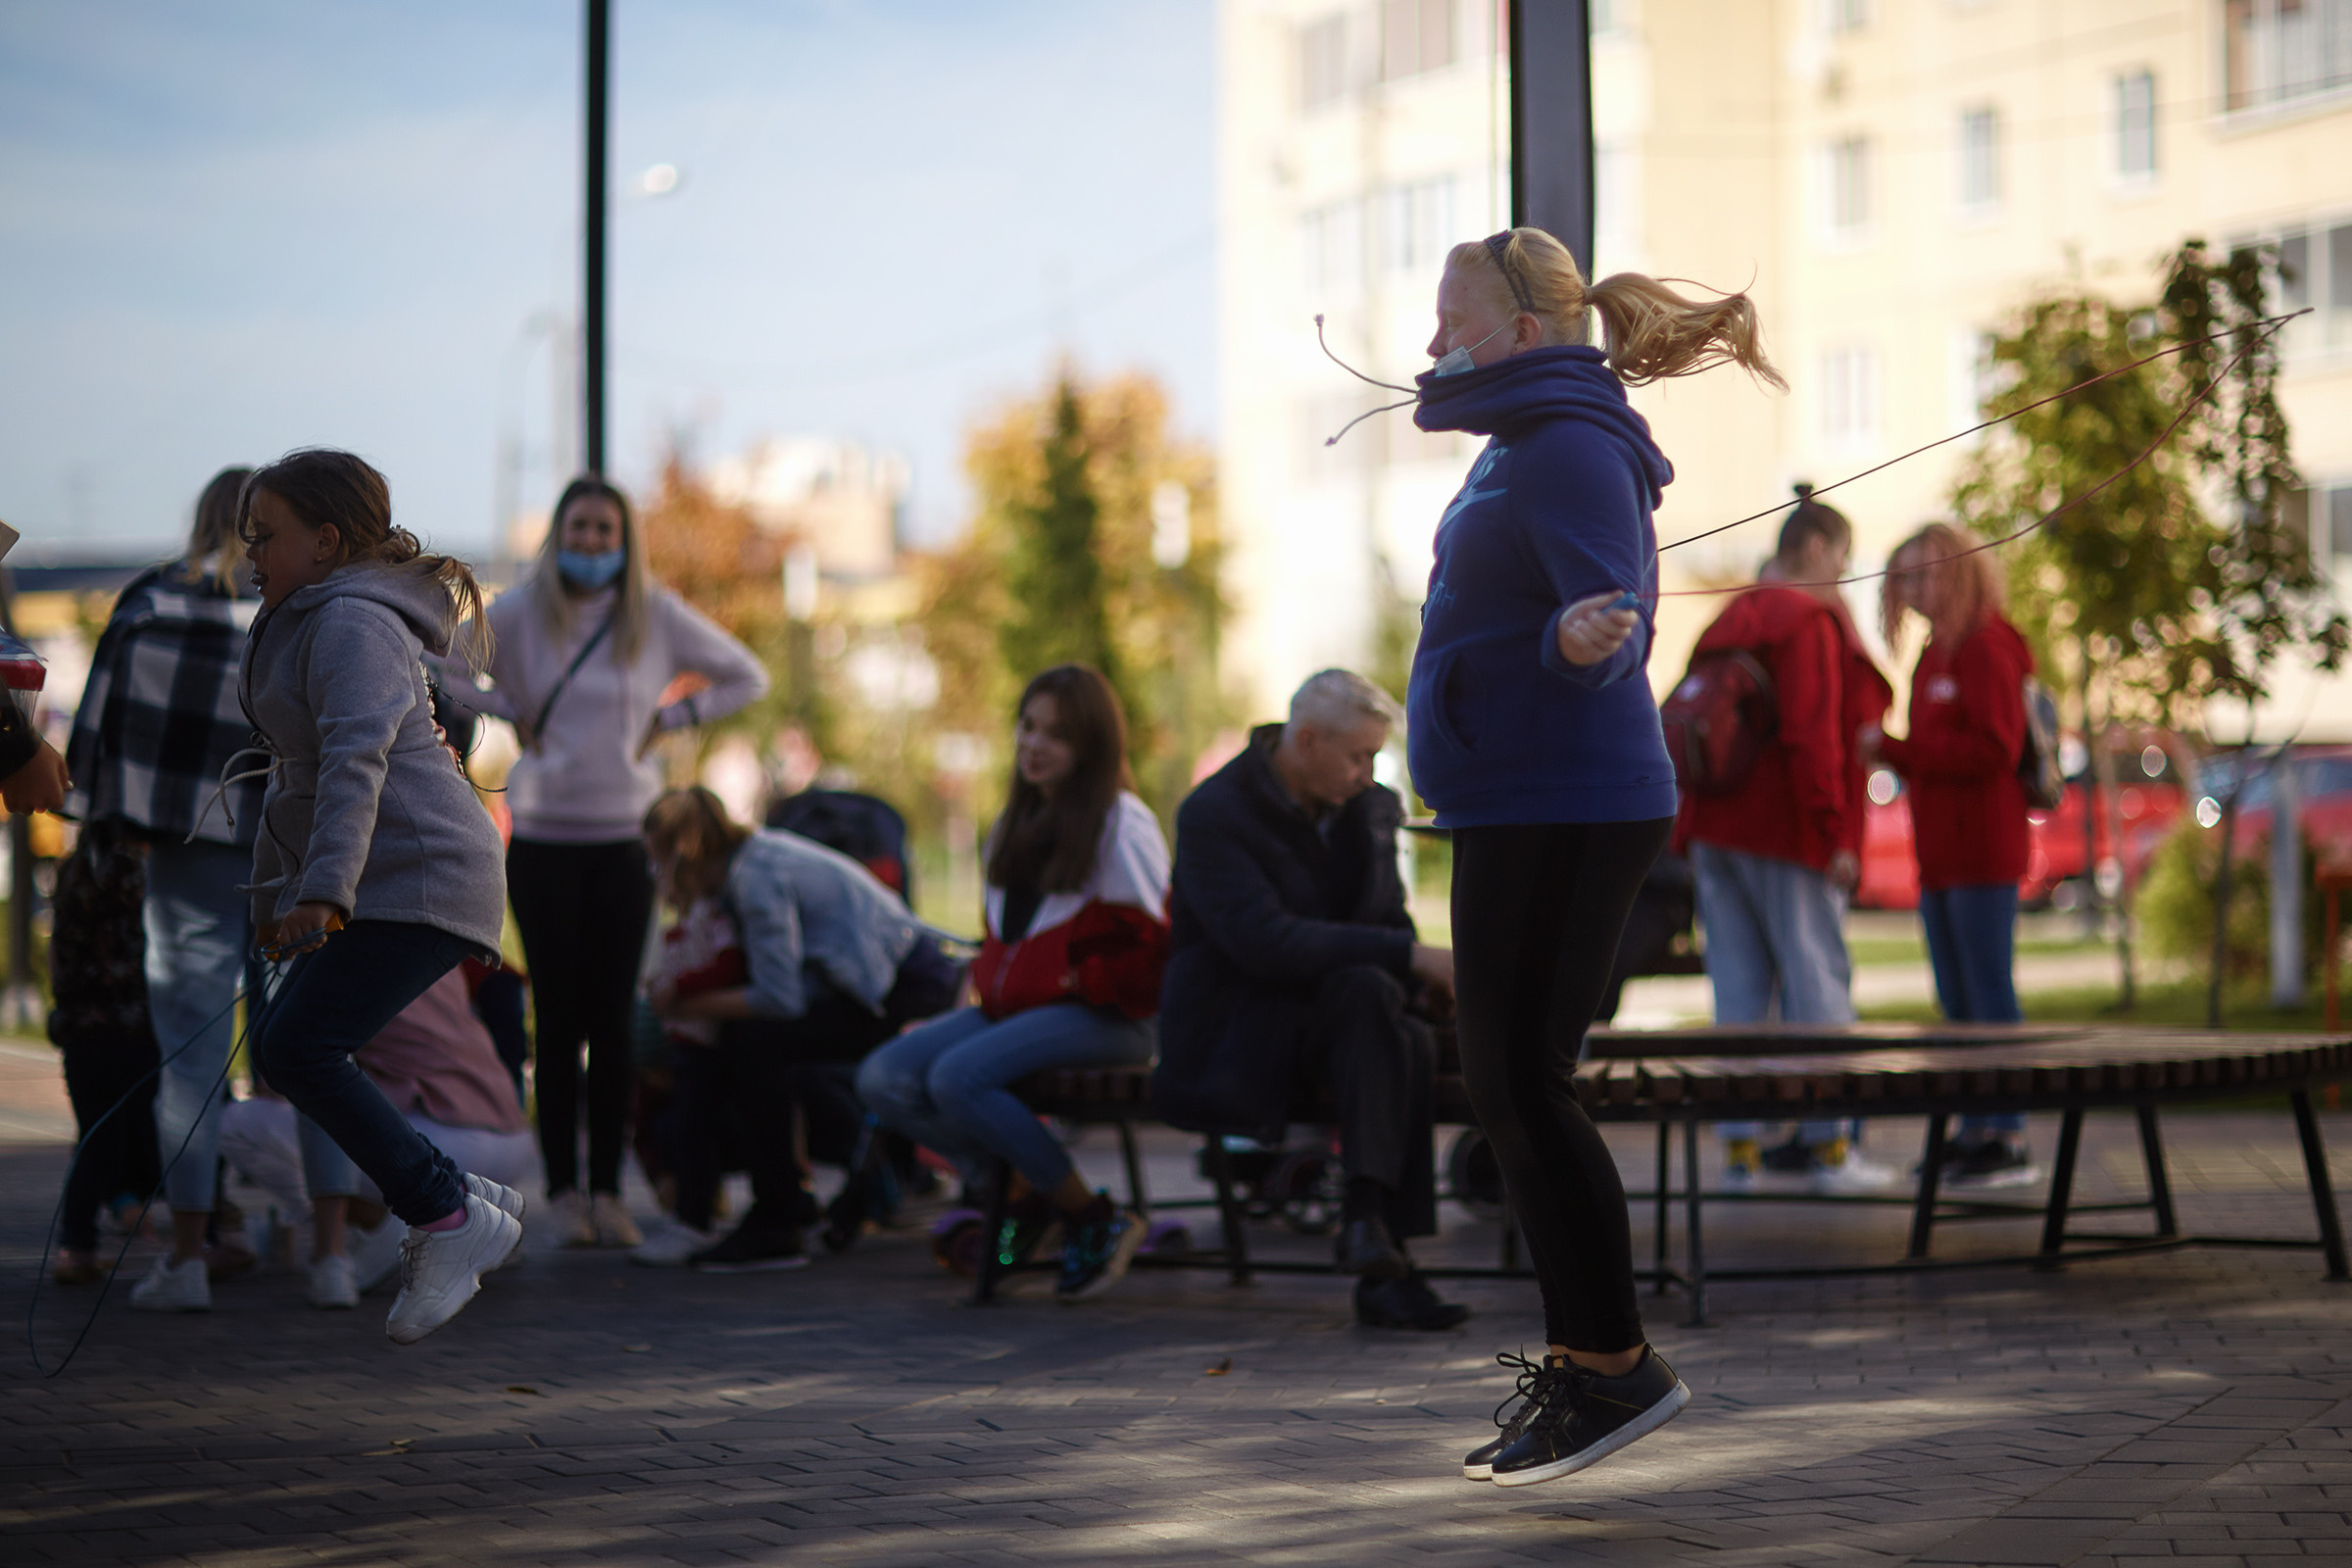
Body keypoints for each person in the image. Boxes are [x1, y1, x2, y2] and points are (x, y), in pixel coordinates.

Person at [1405, 227, 1784, 1486]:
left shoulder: (1565, 444)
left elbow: (1610, 614)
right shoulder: (1529, 441)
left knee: (1524, 1079)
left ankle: (1613, 1367)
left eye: (1449, 321)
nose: (1428, 345)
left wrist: (1584, 642)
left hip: (1564, 797)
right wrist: (1546, 641)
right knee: (1512, 1083)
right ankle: (1585, 1363)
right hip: (1525, 797)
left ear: (1519, 336)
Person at [231, 447, 524, 1345]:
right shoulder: (313, 614)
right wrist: (281, 901)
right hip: (392, 872)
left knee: (300, 1049)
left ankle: (446, 1213)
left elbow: (355, 766)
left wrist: (323, 893)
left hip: (426, 871)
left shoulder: (351, 622)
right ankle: (458, 1199)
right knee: (293, 1048)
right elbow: (302, 781)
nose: (249, 554)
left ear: (323, 542)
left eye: (264, 535)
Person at [466, 476, 768, 1250]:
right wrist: (506, 708)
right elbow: (437, 660)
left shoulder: (654, 613)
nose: (592, 543)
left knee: (612, 1018)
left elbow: (747, 675)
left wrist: (674, 716)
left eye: (606, 530)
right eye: (579, 528)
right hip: (540, 837)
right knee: (558, 1019)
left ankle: (609, 1191)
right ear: (557, 535)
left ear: (624, 539)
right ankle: (563, 1191)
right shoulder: (522, 612)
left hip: (626, 839)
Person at [1152, 669, 1468, 1331]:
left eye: (1374, 757)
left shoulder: (1367, 807)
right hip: (1241, 1031)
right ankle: (1382, 1249)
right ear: (1306, 739)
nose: (1368, 771)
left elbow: (1388, 922)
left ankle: (1369, 1227)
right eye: (1359, 756)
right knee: (1386, 1015)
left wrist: (1423, 983)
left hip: (1345, 1030)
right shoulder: (1215, 812)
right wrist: (1409, 961)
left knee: (1394, 1018)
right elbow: (1265, 943)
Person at [858, 665, 1168, 1303]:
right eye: (1028, 727)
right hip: (1015, 1011)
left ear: (1091, 747)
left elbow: (1151, 947)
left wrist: (1078, 973)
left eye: (1057, 734)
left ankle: (1091, 1217)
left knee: (956, 1077)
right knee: (883, 1076)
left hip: (1112, 1017)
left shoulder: (1120, 823)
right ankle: (1024, 1189)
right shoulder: (1012, 824)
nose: (1034, 744)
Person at [63, 469, 269, 1306]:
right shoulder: (297, 608)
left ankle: (190, 1252)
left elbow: (99, 727)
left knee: (188, 1056)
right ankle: (331, 1250)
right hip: (292, 847)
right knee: (303, 1047)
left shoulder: (151, 601)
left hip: (183, 843)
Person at [1674, 488, 1894, 1191]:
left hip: (1715, 829)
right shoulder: (1808, 620)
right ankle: (1830, 1149)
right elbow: (1809, 735)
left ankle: (1741, 1155)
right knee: (1816, 985)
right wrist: (1836, 833)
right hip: (1788, 831)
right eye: (1844, 559)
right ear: (1822, 549)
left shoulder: (1728, 614)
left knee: (1736, 993)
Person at [638, 786, 953, 1271]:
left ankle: (777, 1219)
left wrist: (689, 1000)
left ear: (684, 857)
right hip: (877, 979)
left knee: (754, 1040)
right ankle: (767, 1205)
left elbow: (778, 998)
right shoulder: (748, 858)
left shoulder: (755, 880)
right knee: (738, 1039)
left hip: (906, 985)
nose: (654, 875)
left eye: (657, 862)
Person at [1871, 522, 2036, 1185]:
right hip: (1940, 854)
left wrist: (1895, 749)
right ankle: (1975, 1128)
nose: (1912, 591)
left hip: (1983, 852)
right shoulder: (1935, 653)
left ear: (1957, 572)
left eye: (1923, 574)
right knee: (1955, 998)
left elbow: (1996, 748)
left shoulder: (1986, 647)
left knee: (1987, 994)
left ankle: (2007, 1133)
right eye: (1903, 577)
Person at [220, 966, 537, 1307]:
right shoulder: (429, 949)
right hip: (512, 1138)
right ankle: (458, 1218)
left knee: (242, 1123)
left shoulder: (344, 951)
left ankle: (381, 1226)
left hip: (438, 1138)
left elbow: (286, 1078)